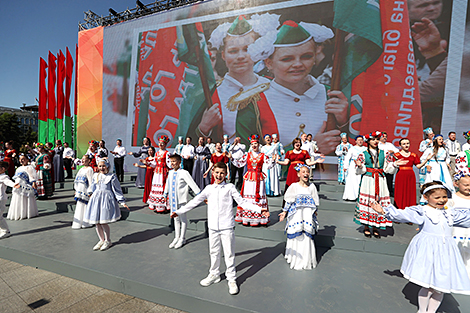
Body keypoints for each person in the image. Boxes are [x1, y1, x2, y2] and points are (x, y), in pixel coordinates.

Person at [248, 20, 348, 154]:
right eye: (287, 59)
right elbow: (245, 159)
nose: (297, 64)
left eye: (306, 57)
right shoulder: (252, 103)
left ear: (314, 58)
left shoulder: (332, 94)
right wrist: (311, 149)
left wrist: (345, 123)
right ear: (269, 63)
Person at [370, 181, 470, 313]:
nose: (441, 200)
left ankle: (431, 311)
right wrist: (383, 211)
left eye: (444, 197)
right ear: (426, 197)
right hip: (428, 250)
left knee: (440, 287)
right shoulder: (423, 211)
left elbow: (466, 217)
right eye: (437, 197)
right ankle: (422, 310)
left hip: (446, 252)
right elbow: (403, 214)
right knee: (428, 285)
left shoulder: (450, 213)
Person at [170, 161, 268, 295]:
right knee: (214, 252)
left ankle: (231, 279)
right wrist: (180, 211)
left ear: (226, 174)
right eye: (217, 172)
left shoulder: (230, 187)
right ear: (212, 173)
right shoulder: (209, 188)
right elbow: (194, 202)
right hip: (212, 227)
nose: (219, 175)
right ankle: (214, 274)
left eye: (222, 173)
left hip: (227, 226)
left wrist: (259, 209)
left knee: (229, 254)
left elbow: (243, 202)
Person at [193, 14, 280, 144]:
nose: (240, 56)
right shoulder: (212, 92)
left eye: (247, 49)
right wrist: (204, 127)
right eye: (233, 51)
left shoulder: (273, 86)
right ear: (223, 55)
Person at [353, 131, 406, 238]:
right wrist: (359, 166)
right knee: (368, 201)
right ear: (368, 141)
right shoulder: (363, 154)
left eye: (377, 139)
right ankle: (367, 226)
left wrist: (395, 164)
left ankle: (376, 226)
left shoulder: (384, 153)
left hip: (380, 179)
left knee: (379, 200)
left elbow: (387, 169)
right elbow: (360, 171)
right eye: (373, 139)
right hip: (368, 180)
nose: (375, 141)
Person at [83, 158, 129, 251]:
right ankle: (101, 240)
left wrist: (122, 201)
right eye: (100, 166)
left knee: (103, 221)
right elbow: (92, 187)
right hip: (96, 199)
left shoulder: (112, 176)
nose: (101, 168)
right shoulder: (96, 175)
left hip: (106, 199)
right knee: (97, 222)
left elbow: (117, 190)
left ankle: (108, 240)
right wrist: (89, 193)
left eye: (103, 166)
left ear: (107, 166)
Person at [279, 164, 319, 270]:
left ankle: (306, 259)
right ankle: (295, 258)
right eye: (303, 172)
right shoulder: (294, 186)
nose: (306, 174)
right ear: (298, 174)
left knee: (306, 235)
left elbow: (315, 202)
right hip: (297, 215)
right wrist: (284, 212)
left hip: (307, 215)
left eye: (307, 172)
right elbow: (289, 200)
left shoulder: (312, 187)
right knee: (297, 235)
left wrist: (315, 213)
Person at [233, 135, 274, 226]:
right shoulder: (247, 155)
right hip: (249, 179)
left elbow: (269, 165)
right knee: (248, 197)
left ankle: (259, 218)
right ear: (251, 145)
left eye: (256, 143)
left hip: (259, 178)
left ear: (259, 144)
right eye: (252, 144)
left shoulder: (263, 156)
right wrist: (232, 158)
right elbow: (239, 164)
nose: (254, 145)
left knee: (259, 197)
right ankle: (248, 218)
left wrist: (273, 161)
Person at [164, 154, 200, 249]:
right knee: (175, 219)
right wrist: (165, 193)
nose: (172, 163)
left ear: (179, 162)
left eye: (174, 161)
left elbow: (192, 184)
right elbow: (168, 183)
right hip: (173, 199)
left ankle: (182, 238)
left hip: (181, 200)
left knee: (183, 218)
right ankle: (176, 237)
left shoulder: (184, 172)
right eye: (171, 161)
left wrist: (200, 195)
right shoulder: (170, 172)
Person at [393, 138, 433, 210]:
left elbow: (418, 166)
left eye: (407, 143)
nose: (406, 145)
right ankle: (399, 211)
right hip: (400, 175)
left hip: (410, 175)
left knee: (410, 193)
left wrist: (427, 159)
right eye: (404, 144)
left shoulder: (413, 155)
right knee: (400, 193)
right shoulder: (396, 155)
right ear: (400, 145)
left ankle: (410, 211)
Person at [451, 170, 470, 277]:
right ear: (457, 184)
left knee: (467, 253)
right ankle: (454, 275)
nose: (468, 187)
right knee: (456, 251)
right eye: (466, 185)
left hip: (468, 230)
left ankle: (466, 275)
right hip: (457, 230)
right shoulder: (453, 198)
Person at [6, 155, 38, 220]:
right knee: (18, 198)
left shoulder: (30, 167)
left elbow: (32, 176)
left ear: (27, 160)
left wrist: (34, 183)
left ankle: (26, 213)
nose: (21, 161)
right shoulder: (19, 168)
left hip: (25, 185)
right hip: (18, 185)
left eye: (23, 159)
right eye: (20, 159)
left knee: (25, 198)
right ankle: (19, 213)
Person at [147, 136, 171, 213]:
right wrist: (147, 163)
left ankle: (163, 206)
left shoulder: (167, 153)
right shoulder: (156, 153)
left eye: (162, 143)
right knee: (156, 186)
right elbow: (154, 163)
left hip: (163, 172)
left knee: (162, 187)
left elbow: (169, 164)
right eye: (160, 143)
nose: (160, 144)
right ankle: (157, 205)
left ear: (165, 144)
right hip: (157, 172)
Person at [72, 155, 93, 229]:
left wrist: (90, 191)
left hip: (85, 190)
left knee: (85, 206)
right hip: (80, 190)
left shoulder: (90, 169)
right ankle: (79, 222)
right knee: (79, 206)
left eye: (85, 159)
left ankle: (86, 222)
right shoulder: (81, 169)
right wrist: (76, 189)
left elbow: (91, 181)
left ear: (89, 160)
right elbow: (76, 180)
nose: (83, 160)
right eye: (82, 159)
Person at [342, 136, 367, 201]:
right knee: (352, 180)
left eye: (361, 140)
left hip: (362, 165)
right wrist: (345, 166)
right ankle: (352, 196)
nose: (360, 141)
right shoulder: (352, 148)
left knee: (361, 180)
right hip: (353, 166)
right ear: (355, 141)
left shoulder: (365, 149)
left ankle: (360, 196)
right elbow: (347, 158)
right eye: (358, 140)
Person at [0, 161, 19, 238]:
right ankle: (2, 230)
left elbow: (8, 182)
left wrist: (14, 184)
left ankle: (6, 231)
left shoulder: (4, 177)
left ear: (3, 169)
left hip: (1, 198)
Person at [378, 132, 399, 196]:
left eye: (386, 136)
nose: (385, 138)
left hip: (389, 163)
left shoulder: (389, 144)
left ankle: (390, 191)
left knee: (389, 177)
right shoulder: (378, 144)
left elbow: (397, 151)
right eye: (383, 136)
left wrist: (393, 151)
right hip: (380, 163)